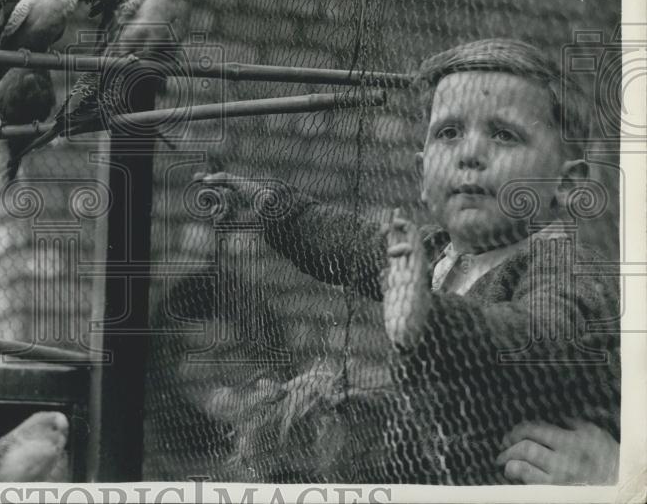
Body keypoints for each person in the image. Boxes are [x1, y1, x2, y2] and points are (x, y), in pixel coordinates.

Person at [199, 39, 620, 484]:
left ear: (568, 184)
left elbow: (542, 334)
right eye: (449, 133)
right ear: (422, 175)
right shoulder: (434, 254)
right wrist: (276, 211)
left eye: (504, 134)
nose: (470, 153)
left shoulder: (563, 265)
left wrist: (429, 317)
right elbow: (349, 243)